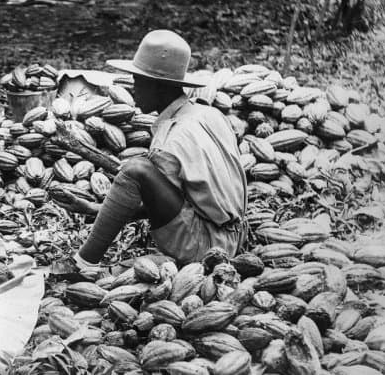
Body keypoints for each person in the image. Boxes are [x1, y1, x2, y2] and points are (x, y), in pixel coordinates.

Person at [53, 30, 247, 267]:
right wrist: (95, 209)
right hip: (234, 237)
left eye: (138, 81)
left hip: (207, 249)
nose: (133, 88)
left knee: (136, 170)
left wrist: (109, 202)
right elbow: (173, 201)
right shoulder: (209, 114)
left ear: (158, 86)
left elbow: (159, 199)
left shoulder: (171, 139)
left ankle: (83, 262)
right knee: (141, 172)